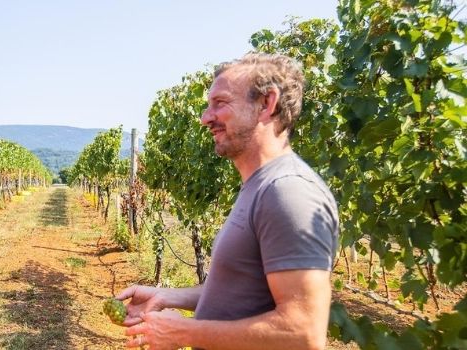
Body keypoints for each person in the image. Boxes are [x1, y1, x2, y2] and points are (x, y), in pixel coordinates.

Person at [116, 53, 339, 350]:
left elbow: (303, 333)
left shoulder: (288, 192)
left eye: (220, 103)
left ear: (267, 104)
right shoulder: (259, 186)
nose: (205, 118)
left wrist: (184, 333)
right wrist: (167, 296)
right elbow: (241, 293)